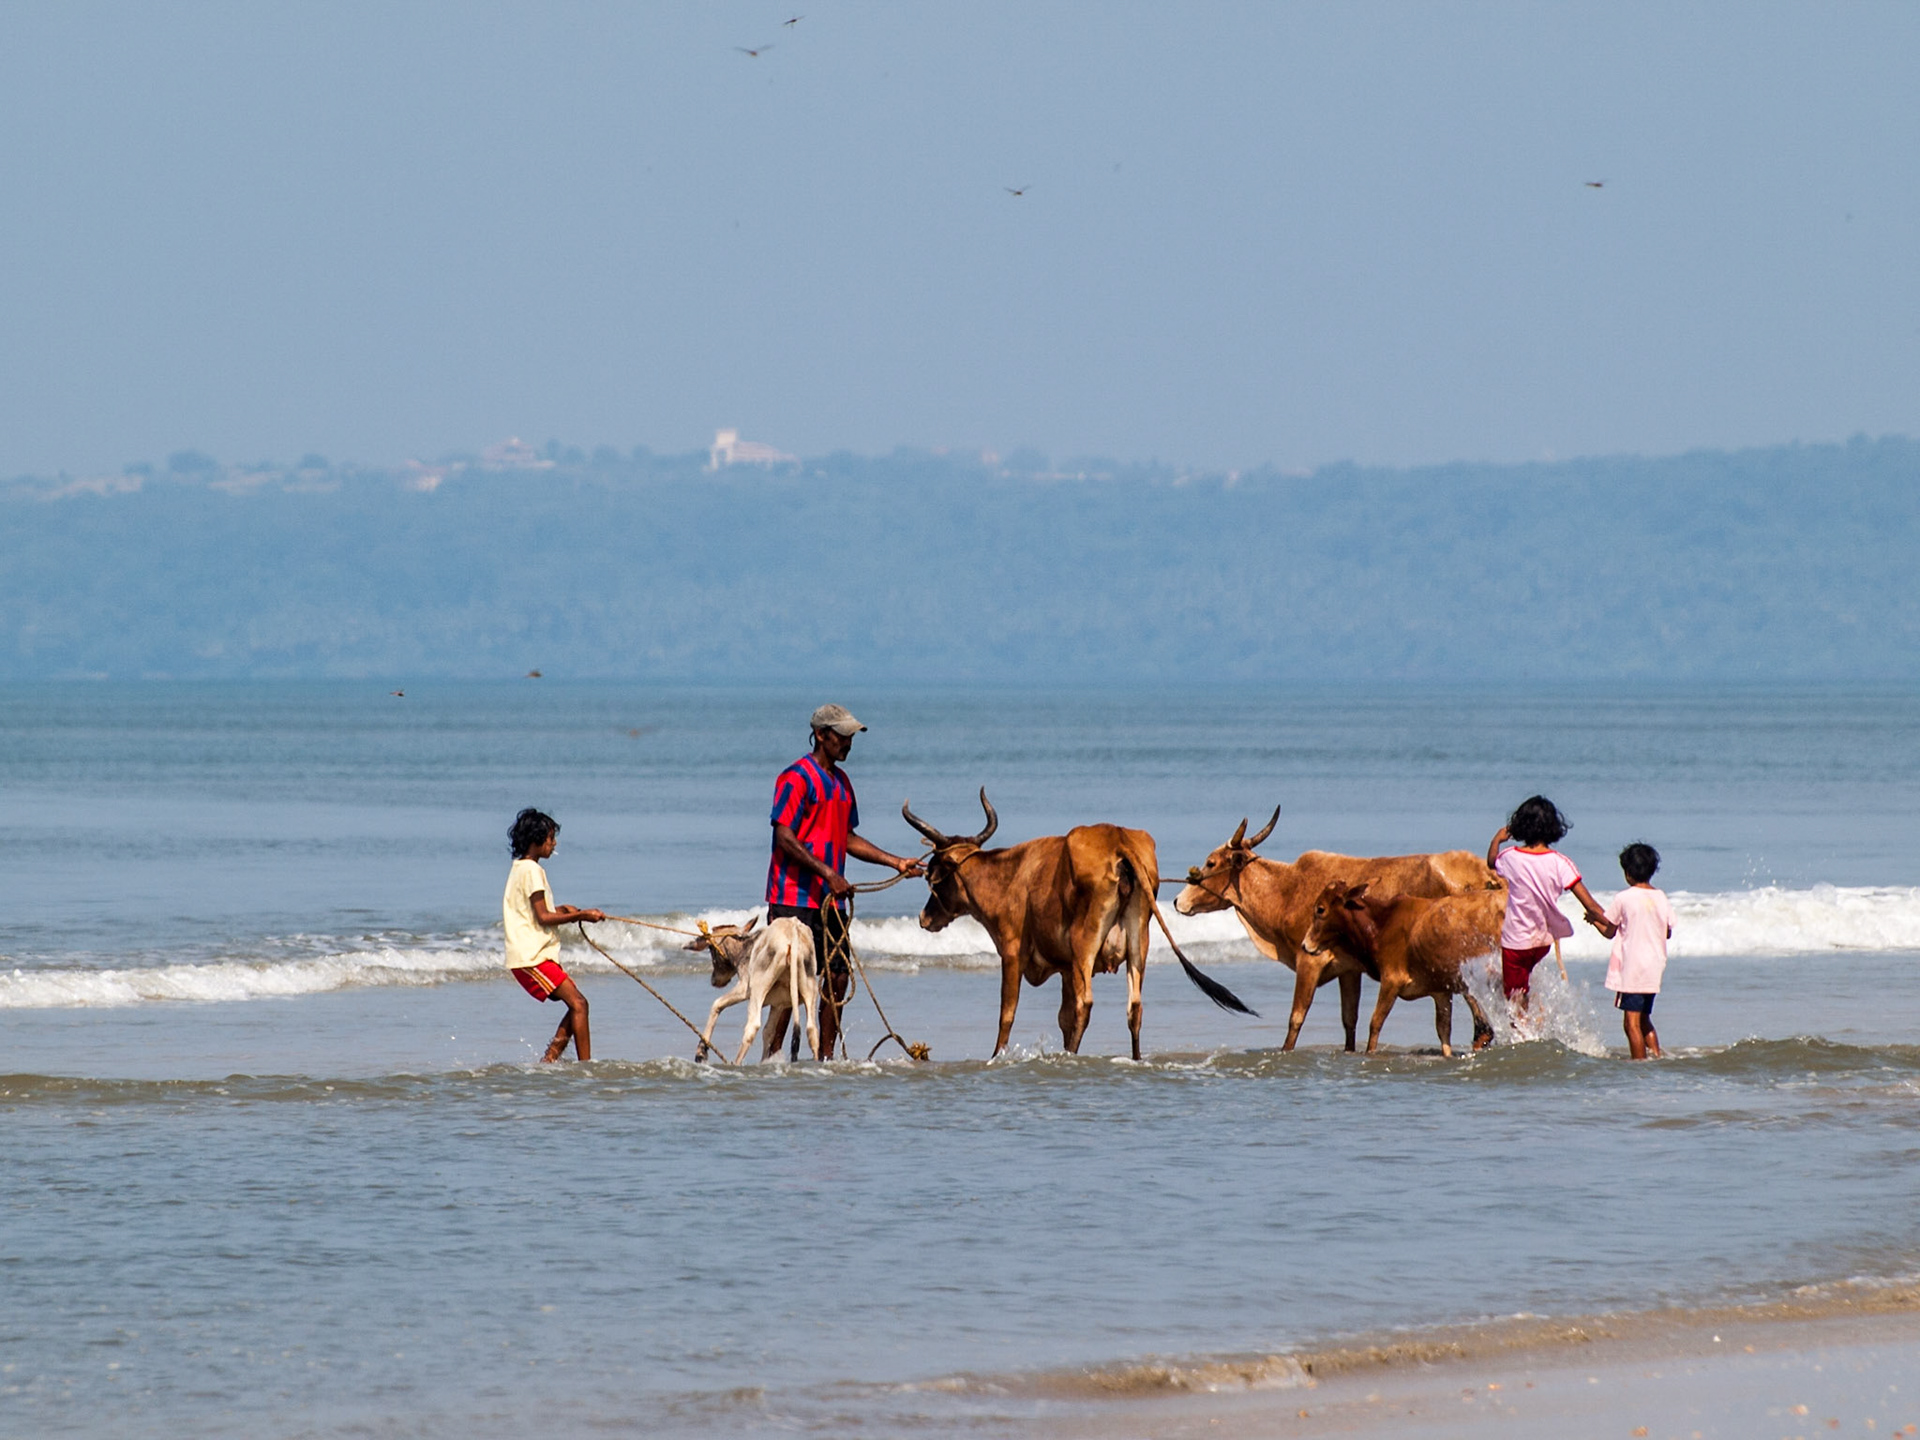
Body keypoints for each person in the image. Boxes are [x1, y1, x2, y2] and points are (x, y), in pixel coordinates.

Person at [760, 704, 922, 1060]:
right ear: (821, 735)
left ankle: (826, 1059)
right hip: (793, 899)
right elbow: (785, 836)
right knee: (789, 986)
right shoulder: (795, 778)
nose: (848, 742)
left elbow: (846, 838)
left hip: (831, 902)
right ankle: (771, 1061)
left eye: (851, 736)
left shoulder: (843, 783)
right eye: (842, 736)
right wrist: (829, 873)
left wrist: (896, 862)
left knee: (837, 978)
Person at [1486, 795, 1610, 1019]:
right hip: (1542, 942)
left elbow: (1491, 862)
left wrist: (1497, 839)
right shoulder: (1561, 862)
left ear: (1520, 825)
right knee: (1522, 986)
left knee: (1513, 1000)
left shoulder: (1510, 857)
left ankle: (1524, 1038)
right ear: (1554, 827)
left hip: (1515, 942)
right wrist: (1611, 925)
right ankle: (1533, 1018)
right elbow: (1590, 905)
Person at [503, 807, 605, 1062]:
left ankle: (549, 1060)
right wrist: (581, 916)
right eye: (550, 838)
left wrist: (563, 910)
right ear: (536, 841)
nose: (554, 843)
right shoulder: (533, 871)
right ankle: (586, 1069)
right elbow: (543, 918)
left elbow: (534, 912)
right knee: (579, 1004)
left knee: (578, 1006)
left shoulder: (520, 868)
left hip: (534, 955)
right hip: (532, 957)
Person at [1592, 842, 1674, 1059]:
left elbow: (1609, 931)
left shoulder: (1624, 898)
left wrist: (1593, 921)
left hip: (1633, 968)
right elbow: (1667, 932)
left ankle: (1639, 1065)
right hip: (1654, 966)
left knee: (1631, 1024)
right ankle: (1656, 1056)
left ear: (1627, 873)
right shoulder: (1661, 897)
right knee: (1644, 1019)